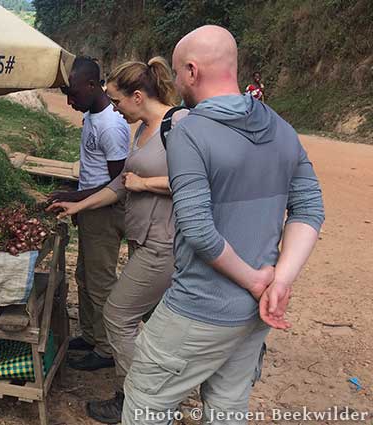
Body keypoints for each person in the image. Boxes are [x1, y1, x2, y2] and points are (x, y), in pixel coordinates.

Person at [121, 26, 324, 425]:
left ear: (192, 71)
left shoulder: (190, 132)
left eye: (178, 73)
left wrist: (253, 280)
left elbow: (198, 229)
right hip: (254, 313)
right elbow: (309, 208)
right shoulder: (282, 128)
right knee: (228, 405)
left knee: (146, 398)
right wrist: (278, 281)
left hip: (200, 307)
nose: (177, 83)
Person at [49, 56, 184, 423]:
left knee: (117, 314)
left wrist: (146, 184)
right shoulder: (141, 130)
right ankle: (163, 387)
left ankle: (135, 399)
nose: (115, 107)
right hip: (144, 240)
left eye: (118, 100)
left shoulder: (181, 125)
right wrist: (79, 205)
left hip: (165, 242)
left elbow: (200, 180)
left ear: (138, 96)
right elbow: (117, 185)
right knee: (158, 320)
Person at [53, 56, 130, 371]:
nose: (70, 102)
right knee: (84, 275)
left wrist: (73, 197)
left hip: (104, 211)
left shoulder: (111, 125)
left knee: (99, 281)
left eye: (73, 94)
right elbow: (93, 172)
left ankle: (106, 349)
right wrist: (77, 204)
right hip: (89, 208)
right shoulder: (92, 116)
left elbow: (117, 184)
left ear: (90, 84)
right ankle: (90, 334)